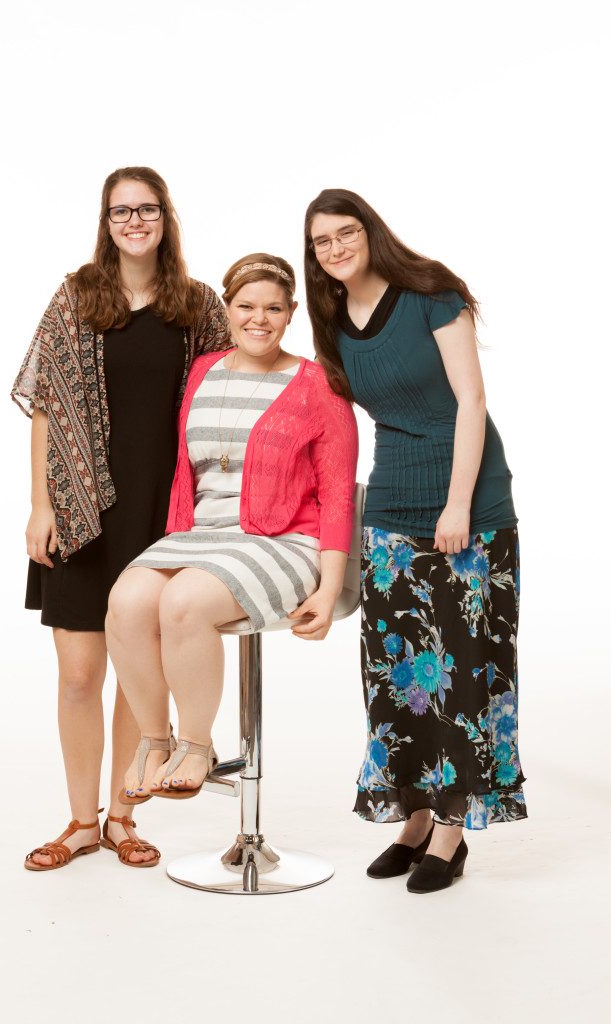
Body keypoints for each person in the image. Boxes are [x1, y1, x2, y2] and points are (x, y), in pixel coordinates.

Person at [304, 189, 526, 893]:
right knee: (397, 674)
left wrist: (456, 503)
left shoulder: (432, 293)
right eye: (320, 242)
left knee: (460, 671)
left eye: (345, 233)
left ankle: (452, 830)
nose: (335, 248)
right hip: (391, 504)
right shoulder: (333, 319)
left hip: (467, 503)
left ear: (369, 232)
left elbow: (472, 401)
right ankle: (414, 815)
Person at [12, 166, 230, 870]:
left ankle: (123, 818)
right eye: (119, 212)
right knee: (79, 674)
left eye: (146, 209)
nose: (133, 221)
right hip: (79, 510)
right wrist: (41, 504)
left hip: (161, 511)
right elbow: (45, 402)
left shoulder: (196, 306)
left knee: (140, 671)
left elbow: (229, 395)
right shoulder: (76, 296)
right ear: (105, 223)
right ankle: (79, 822)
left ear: (165, 217)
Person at [105, 254, 358, 801]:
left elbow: (338, 494)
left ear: (293, 313)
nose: (258, 319)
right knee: (126, 601)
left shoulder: (320, 385)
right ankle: (155, 739)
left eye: (273, 308)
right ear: (228, 309)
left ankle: (197, 744)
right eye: (246, 306)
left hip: (285, 541)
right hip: (201, 536)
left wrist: (332, 585)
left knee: (184, 603)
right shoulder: (204, 370)